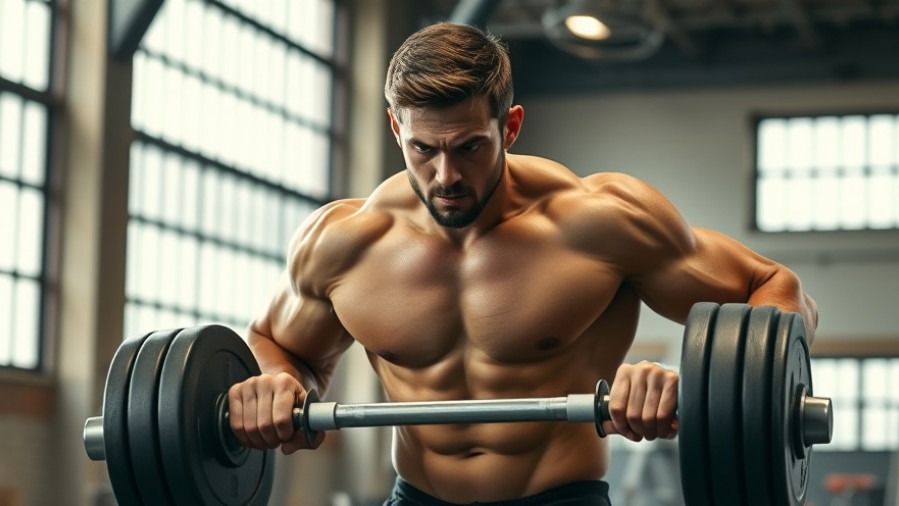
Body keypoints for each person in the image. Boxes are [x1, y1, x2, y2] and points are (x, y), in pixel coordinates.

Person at [228, 22, 818, 505]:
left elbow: (776, 289)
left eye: (469, 147)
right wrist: (279, 387)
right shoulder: (343, 243)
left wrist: (695, 385)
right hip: (416, 496)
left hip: (560, 498)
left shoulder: (599, 222)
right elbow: (277, 343)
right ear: (395, 127)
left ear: (509, 127)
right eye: (423, 149)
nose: (445, 176)